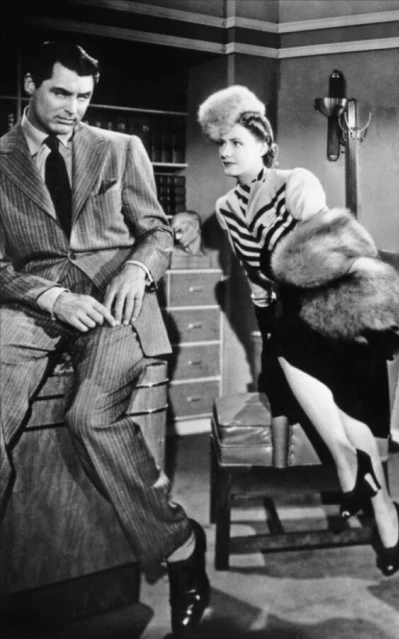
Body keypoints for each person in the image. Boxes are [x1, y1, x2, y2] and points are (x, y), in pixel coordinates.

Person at [0, 41, 209, 635]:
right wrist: (50, 297)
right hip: (33, 304)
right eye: (61, 93)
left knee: (91, 417)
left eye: (84, 96)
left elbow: (157, 233)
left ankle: (181, 547)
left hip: (117, 304)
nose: (74, 108)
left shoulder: (122, 149)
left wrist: (138, 271)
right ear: (30, 84)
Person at [197, 85, 399, 576]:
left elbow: (327, 244)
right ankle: (373, 495)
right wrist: (268, 323)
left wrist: (307, 211)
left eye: (236, 142)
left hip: (338, 310)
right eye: (221, 143)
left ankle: (357, 477)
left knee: (300, 338)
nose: (226, 151)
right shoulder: (227, 208)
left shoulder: (295, 181)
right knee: (287, 339)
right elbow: (257, 283)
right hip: (290, 330)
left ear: (264, 144)